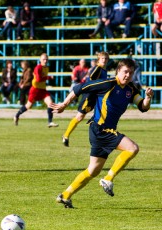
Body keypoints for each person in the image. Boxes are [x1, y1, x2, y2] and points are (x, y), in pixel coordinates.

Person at [52, 58, 153, 208]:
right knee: (132, 148)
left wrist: (148, 98)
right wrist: (64, 104)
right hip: (100, 129)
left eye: (131, 73)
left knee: (92, 170)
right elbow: (79, 88)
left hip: (102, 131)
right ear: (118, 71)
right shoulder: (108, 83)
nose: (128, 75)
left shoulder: (131, 89)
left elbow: (143, 107)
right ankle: (108, 178)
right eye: (125, 72)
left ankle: (65, 195)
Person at [62, 52, 110, 147]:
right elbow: (92, 76)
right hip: (89, 95)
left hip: (98, 96)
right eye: (102, 58)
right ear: (98, 60)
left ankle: (102, 138)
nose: (104, 60)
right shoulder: (98, 68)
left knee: (102, 115)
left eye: (106, 59)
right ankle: (66, 135)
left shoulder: (104, 71)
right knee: (80, 117)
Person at [14, 53, 58, 127]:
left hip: (42, 90)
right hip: (35, 90)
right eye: (44, 59)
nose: (45, 61)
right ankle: (17, 115)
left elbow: (42, 79)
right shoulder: (38, 68)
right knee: (28, 106)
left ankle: (50, 122)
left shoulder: (46, 68)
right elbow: (38, 79)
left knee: (50, 103)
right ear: (40, 60)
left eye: (46, 59)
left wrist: (47, 78)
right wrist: (48, 77)